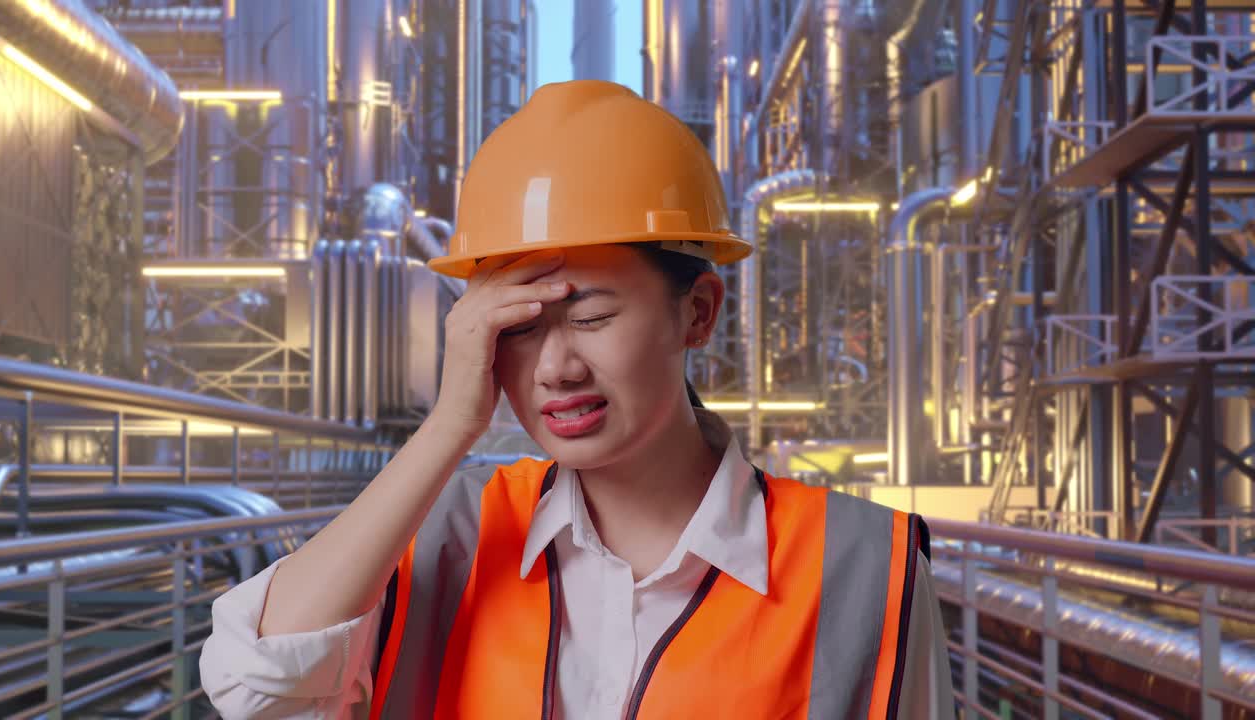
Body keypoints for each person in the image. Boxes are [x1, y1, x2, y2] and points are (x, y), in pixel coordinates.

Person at [199, 79, 954, 719]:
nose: (556, 367)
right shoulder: (448, 534)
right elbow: (252, 684)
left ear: (698, 312)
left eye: (591, 316)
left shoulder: (862, 566)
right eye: (520, 327)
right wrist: (449, 426)